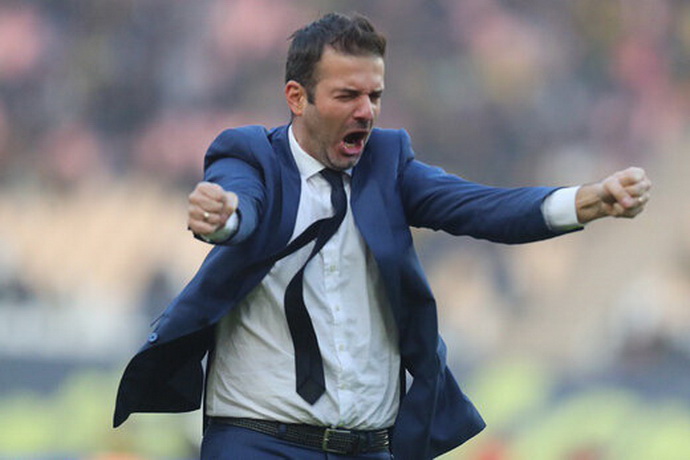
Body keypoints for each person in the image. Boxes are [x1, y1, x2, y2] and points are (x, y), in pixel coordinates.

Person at [113, 12, 651, 460]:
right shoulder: (251, 155)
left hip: (369, 447)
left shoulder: (389, 164)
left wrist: (585, 201)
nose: (366, 112)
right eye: (348, 95)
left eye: (375, 95)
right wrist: (225, 220)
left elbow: (481, 208)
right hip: (258, 441)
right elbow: (241, 204)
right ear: (297, 97)